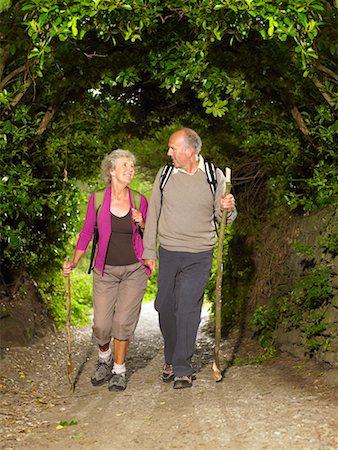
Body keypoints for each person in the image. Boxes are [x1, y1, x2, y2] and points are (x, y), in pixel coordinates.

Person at [142, 128, 237, 389]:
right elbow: (153, 214)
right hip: (169, 252)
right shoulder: (164, 175)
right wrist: (149, 251)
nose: (168, 153)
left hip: (199, 253)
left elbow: (224, 217)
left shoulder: (213, 176)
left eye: (173, 148)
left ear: (190, 151)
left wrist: (228, 208)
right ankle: (171, 356)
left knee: (187, 307)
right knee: (164, 305)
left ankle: (182, 367)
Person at [63, 149, 149, 392]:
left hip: (134, 270)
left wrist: (142, 222)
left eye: (132, 166)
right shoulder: (98, 199)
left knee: (122, 323)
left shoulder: (140, 199)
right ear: (111, 170)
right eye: (125, 165)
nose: (130, 170)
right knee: (101, 325)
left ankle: (119, 370)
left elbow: (151, 234)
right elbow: (86, 233)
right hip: (105, 271)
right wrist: (75, 262)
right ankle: (104, 358)